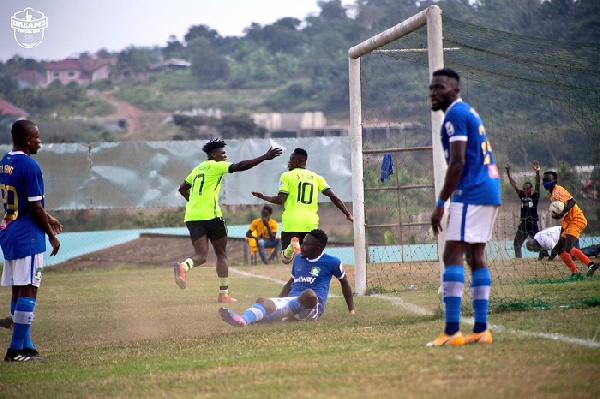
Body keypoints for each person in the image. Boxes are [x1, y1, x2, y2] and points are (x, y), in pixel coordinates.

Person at [428, 68, 501, 346]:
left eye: (440, 87)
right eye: (432, 88)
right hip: (488, 188)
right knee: (475, 254)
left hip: (470, 191)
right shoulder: (467, 112)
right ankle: (481, 330)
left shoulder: (455, 115)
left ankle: (451, 332)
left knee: (452, 254)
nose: (434, 92)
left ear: (455, 91)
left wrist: (440, 203)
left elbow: (457, 162)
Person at [173, 139, 282, 303]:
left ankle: (183, 266)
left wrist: (194, 202)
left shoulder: (196, 169)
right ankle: (224, 295)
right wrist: (264, 157)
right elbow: (240, 166)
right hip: (211, 216)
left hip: (192, 216)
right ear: (213, 155)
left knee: (201, 256)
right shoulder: (216, 166)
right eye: (222, 153)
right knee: (221, 254)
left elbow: (182, 188)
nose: (225, 156)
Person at [1, 120, 62, 362]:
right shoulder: (31, 166)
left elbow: (26, 203)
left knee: (18, 289)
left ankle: (26, 346)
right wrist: (51, 235)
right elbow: (35, 207)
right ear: (27, 140)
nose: (39, 141)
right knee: (28, 289)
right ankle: (15, 349)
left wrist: (48, 215)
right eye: (37, 137)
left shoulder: (5, 162)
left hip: (9, 230)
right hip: (28, 235)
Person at [219, 229, 354, 327]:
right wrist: (277, 301)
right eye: (303, 242)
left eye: (306, 244)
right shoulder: (298, 259)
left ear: (317, 248)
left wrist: (351, 309)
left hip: (310, 306)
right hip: (291, 301)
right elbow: (290, 284)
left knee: (310, 295)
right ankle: (243, 320)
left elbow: (345, 283)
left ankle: (266, 320)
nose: (302, 246)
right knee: (263, 301)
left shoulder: (332, 261)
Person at [251, 148, 353, 264]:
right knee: (308, 259)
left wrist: (264, 197)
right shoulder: (316, 177)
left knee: (285, 259)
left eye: (290, 160)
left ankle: (291, 246)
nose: (288, 163)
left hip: (292, 223)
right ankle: (305, 278)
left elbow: (281, 200)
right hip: (310, 224)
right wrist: (347, 214)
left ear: (297, 161)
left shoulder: (287, 176)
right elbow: (334, 197)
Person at [542, 171, 596, 278]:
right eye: (544, 180)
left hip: (576, 220)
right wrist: (559, 217)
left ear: (554, 181)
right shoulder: (552, 194)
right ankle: (575, 272)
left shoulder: (558, 191)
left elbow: (572, 201)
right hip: (567, 222)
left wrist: (561, 213)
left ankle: (591, 264)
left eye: (548, 180)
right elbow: (563, 210)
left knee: (569, 247)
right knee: (558, 248)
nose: (545, 182)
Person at [505, 161, 542, 258]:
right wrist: (508, 173)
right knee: (516, 244)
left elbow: (538, 183)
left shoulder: (535, 196)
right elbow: (513, 184)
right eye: (524, 189)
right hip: (524, 224)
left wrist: (537, 171)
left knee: (539, 243)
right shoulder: (521, 196)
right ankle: (518, 260)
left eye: (527, 189)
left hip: (533, 224)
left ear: (531, 189)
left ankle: (544, 256)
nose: (525, 191)